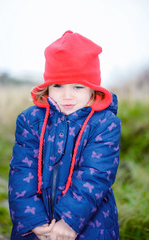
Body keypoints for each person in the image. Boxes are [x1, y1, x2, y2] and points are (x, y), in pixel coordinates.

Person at [8, 30, 121, 240]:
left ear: (92, 89)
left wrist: (69, 221)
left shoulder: (105, 124)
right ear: (47, 87)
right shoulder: (30, 120)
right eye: (58, 86)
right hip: (39, 226)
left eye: (78, 87)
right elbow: (21, 171)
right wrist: (33, 221)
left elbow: (95, 175)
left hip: (88, 226)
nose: (67, 96)